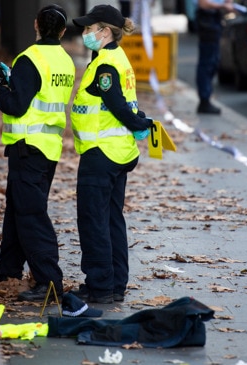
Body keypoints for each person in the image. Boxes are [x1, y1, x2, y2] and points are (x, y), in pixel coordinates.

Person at [0, 4, 75, 302]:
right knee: (17, 210)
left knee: (31, 215)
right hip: (47, 149)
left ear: (35, 25)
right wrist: (11, 82)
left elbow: (16, 105)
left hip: (27, 147)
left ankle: (49, 283)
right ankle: (8, 271)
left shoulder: (29, 58)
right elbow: (36, 94)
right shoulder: (65, 61)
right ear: (62, 31)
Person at [70, 5, 154, 304]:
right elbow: (125, 102)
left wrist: (138, 123)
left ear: (104, 32)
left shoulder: (105, 64)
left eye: (88, 29)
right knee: (111, 220)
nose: (84, 34)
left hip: (101, 153)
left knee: (93, 221)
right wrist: (139, 123)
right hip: (118, 152)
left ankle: (100, 286)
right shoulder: (116, 57)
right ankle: (115, 284)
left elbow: (117, 103)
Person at [195, 0, 235, 114]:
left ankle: (205, 99)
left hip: (213, 18)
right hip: (207, 19)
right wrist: (223, 5)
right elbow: (203, 3)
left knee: (213, 61)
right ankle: (204, 100)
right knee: (208, 62)